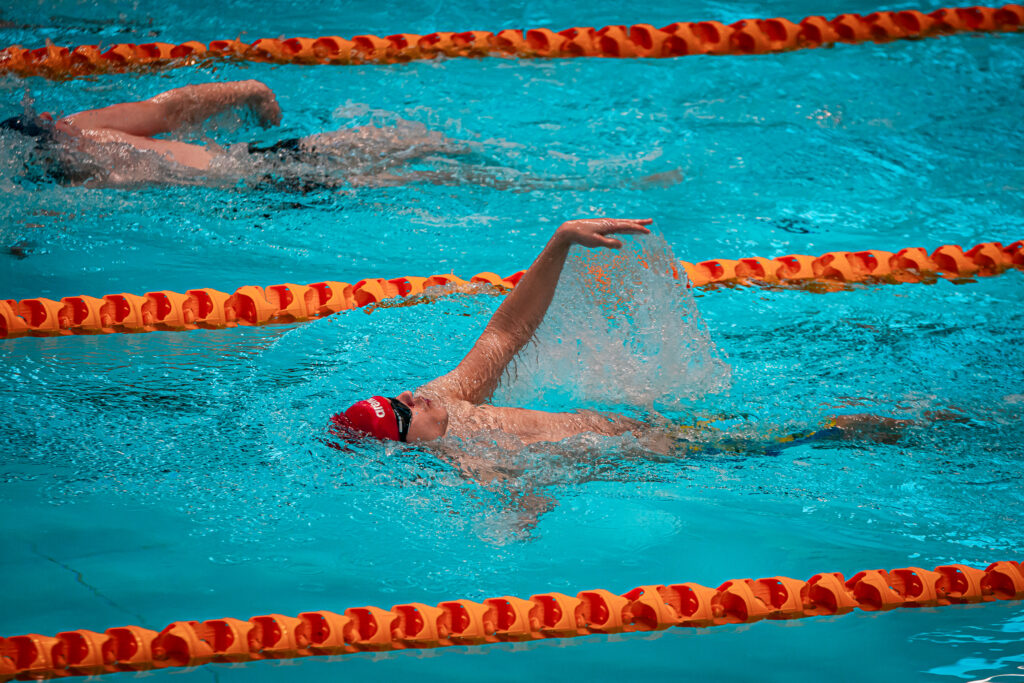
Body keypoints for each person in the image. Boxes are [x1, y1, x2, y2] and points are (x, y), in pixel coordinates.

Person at [331, 218, 938, 451]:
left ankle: (890, 424)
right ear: (408, 444)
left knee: (799, 432)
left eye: (397, 395)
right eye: (402, 413)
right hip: (657, 459)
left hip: (644, 429)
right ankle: (903, 427)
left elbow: (508, 329)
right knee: (808, 439)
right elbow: (511, 504)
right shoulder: (465, 457)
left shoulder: (449, 399)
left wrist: (562, 239)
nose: (411, 397)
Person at [0, 79, 466, 188]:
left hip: (264, 169)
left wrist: (249, 91)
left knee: (427, 149)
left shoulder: (75, 130)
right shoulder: (59, 174)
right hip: (264, 178)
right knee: (434, 163)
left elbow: (170, 109)